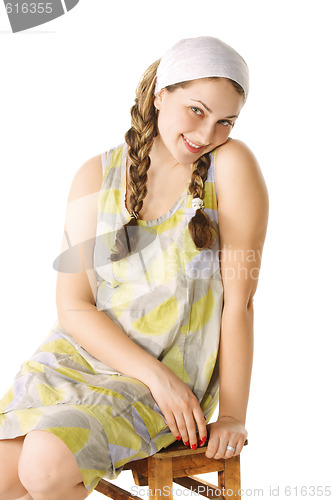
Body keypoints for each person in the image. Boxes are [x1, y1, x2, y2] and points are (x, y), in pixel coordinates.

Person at [0, 35, 269, 499]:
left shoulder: (232, 166)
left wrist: (232, 413)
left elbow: (239, 303)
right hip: (78, 361)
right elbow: (74, 306)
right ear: (160, 94)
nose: (207, 135)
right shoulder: (95, 174)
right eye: (197, 110)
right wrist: (152, 374)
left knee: (44, 464)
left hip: (171, 384)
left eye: (226, 120)